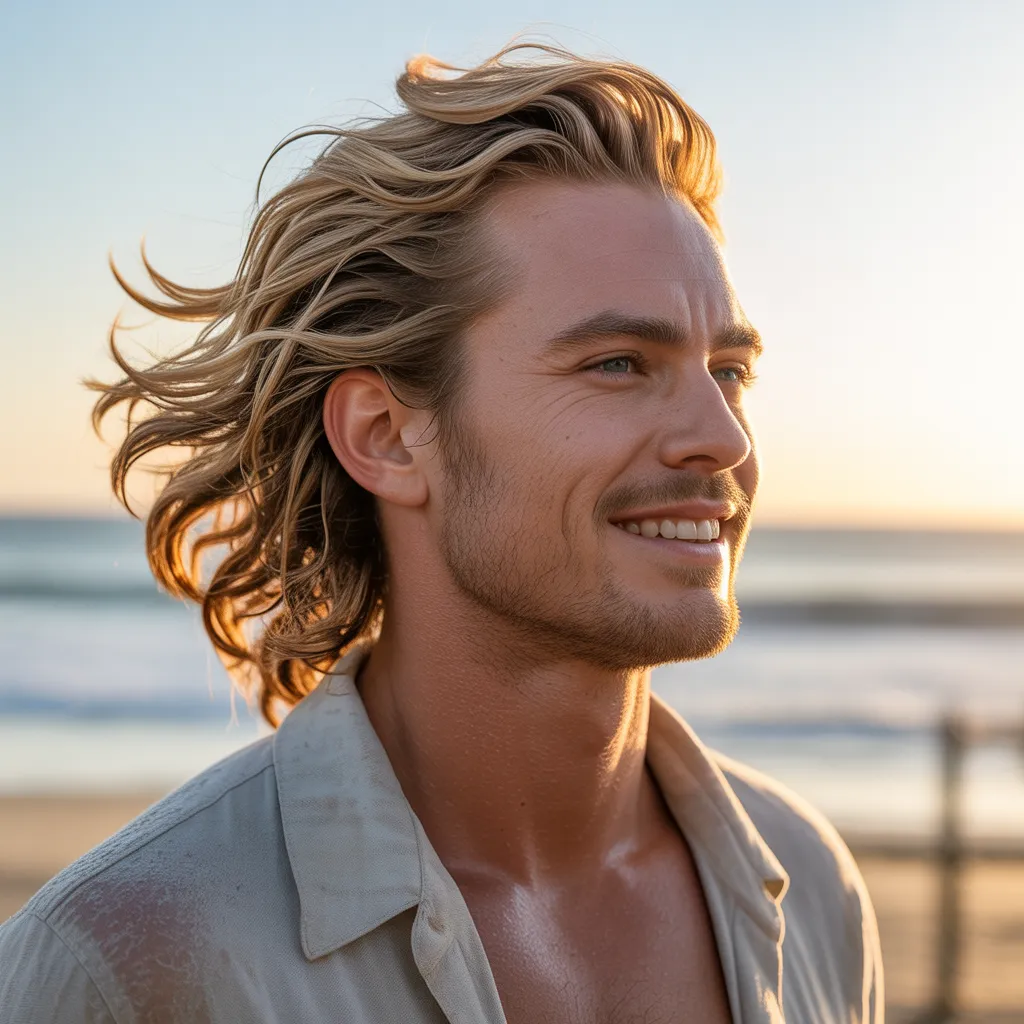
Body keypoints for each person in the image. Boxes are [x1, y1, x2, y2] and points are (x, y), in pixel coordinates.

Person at [0, 43, 883, 1023]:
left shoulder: (810, 889)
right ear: (385, 438)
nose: (722, 439)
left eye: (728, 371)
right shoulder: (128, 963)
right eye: (619, 363)